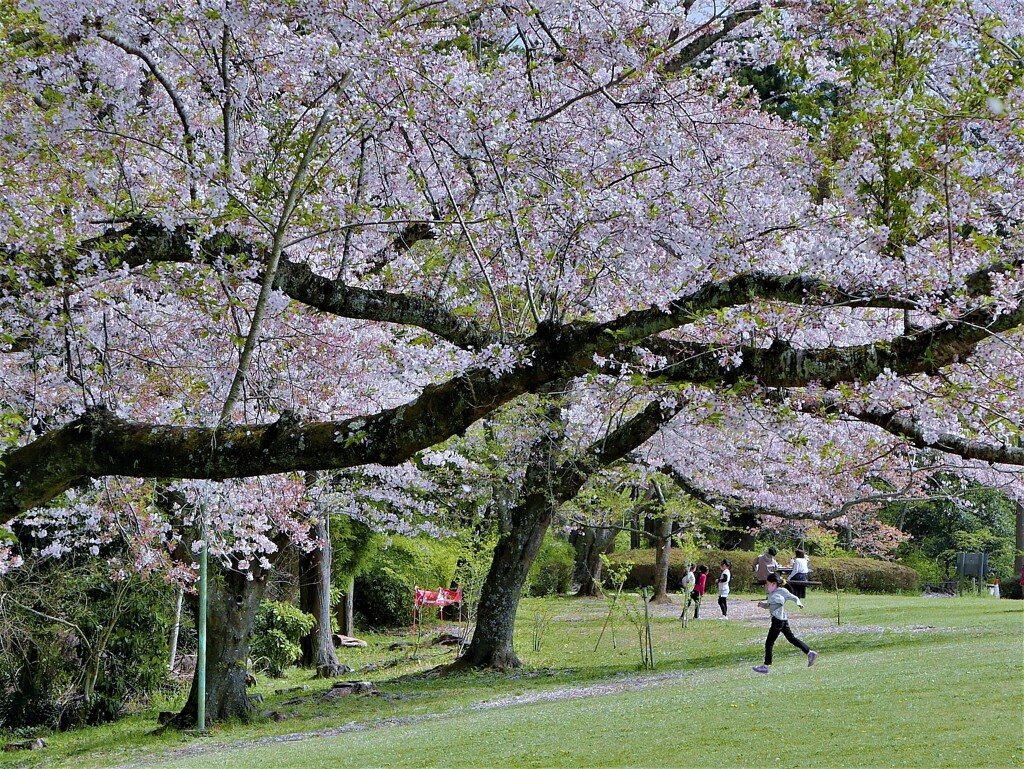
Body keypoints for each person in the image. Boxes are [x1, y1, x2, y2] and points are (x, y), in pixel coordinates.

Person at [752, 572, 817, 674]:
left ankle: (766, 666)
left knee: (769, 643)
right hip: (782, 620)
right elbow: (771, 605)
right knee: (791, 639)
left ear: (774, 584)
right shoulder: (772, 594)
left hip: (778, 621)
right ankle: (810, 652)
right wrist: (762, 604)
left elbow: (793, 597)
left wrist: (799, 604)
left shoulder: (781, 591)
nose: (766, 586)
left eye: (768, 584)